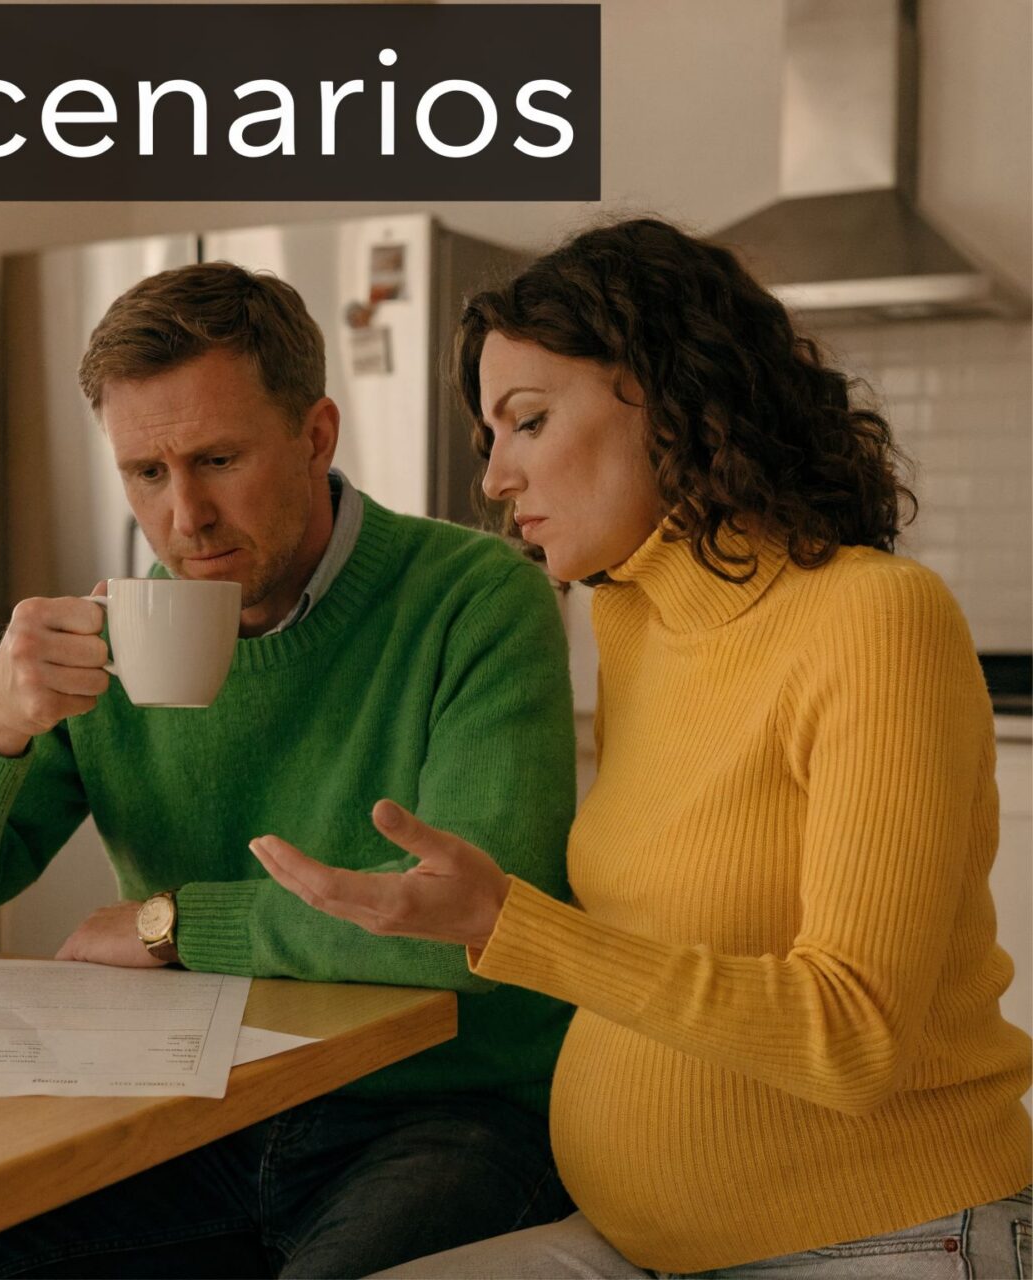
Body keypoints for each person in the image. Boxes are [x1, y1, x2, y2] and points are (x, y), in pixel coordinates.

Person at [250, 217, 1033, 1277]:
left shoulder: (873, 617)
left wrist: (511, 925)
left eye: (526, 421)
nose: (495, 478)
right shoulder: (632, 625)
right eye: (490, 435)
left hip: (883, 1232)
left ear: (672, 396)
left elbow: (848, 1035)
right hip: (638, 1237)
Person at [0, 262, 581, 1277]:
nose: (183, 515)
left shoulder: (475, 598)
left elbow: (467, 923)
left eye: (218, 458)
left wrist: (175, 921)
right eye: (145, 474)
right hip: (208, 1104)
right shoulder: (109, 635)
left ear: (316, 434)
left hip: (448, 1109)